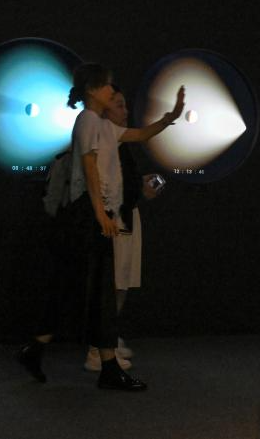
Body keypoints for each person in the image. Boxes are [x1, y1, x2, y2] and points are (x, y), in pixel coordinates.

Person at [18, 63, 183, 391]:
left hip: (88, 216)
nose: (112, 90)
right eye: (107, 86)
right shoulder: (88, 121)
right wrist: (101, 214)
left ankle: (37, 350)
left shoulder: (102, 126)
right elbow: (89, 168)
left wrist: (170, 117)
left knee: (75, 288)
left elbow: (139, 135)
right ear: (93, 90)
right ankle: (106, 366)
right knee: (100, 290)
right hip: (87, 216)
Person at [82, 86, 164, 372]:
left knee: (121, 285)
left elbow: (122, 181)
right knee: (112, 286)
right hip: (114, 221)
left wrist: (139, 186)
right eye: (119, 105)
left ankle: (108, 341)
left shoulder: (117, 141)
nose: (125, 111)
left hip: (125, 218)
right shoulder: (101, 138)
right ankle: (98, 350)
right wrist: (170, 117)